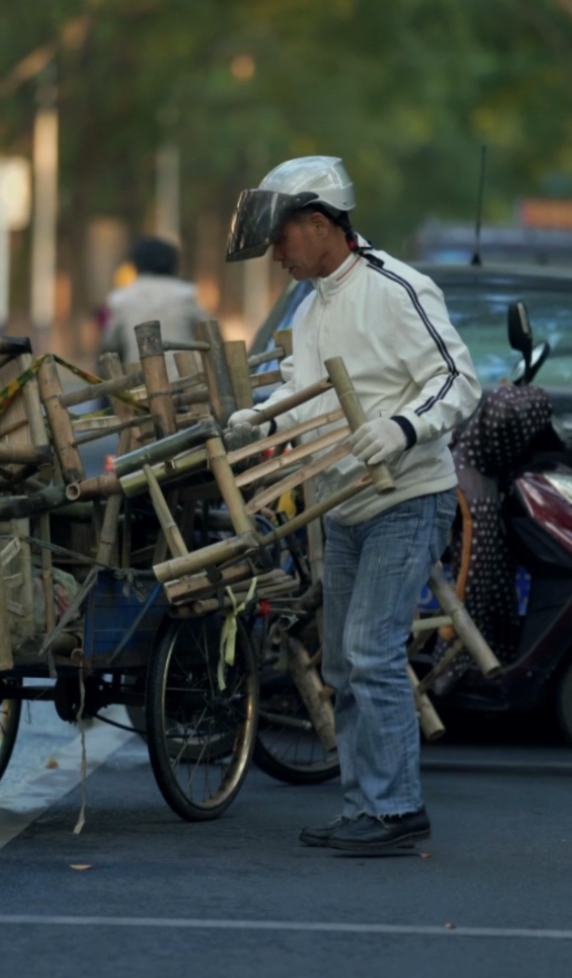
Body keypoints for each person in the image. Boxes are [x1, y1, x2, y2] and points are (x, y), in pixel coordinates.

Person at [223, 156, 480, 851]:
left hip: (406, 497)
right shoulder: (311, 308)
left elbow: (458, 379)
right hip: (341, 503)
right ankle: (364, 806)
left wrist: (402, 427)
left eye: (281, 238)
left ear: (319, 223)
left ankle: (397, 811)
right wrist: (263, 419)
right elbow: (302, 396)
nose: (275, 253)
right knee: (340, 661)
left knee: (371, 650)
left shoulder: (397, 287)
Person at [99, 236, 209, 364]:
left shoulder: (122, 300)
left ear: (136, 263)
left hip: (140, 379)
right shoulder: (186, 296)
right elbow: (211, 336)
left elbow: (110, 345)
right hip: (186, 377)